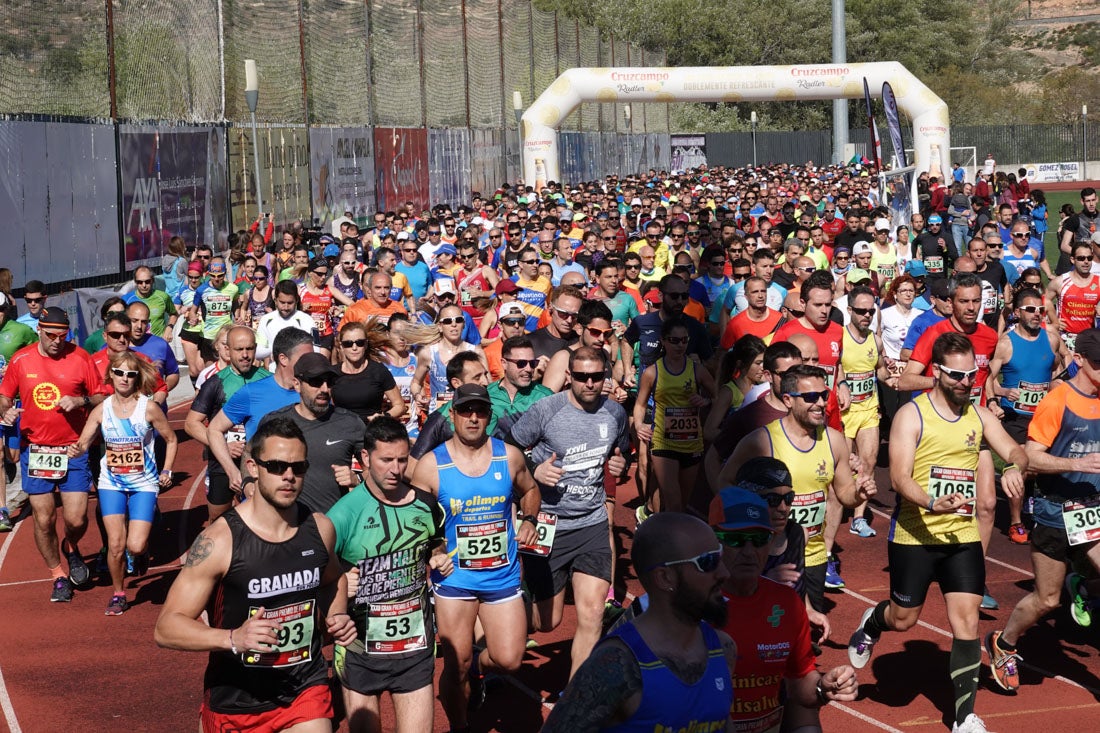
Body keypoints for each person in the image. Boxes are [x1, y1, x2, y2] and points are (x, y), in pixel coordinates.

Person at [848, 333, 1027, 733]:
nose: (967, 381)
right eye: (958, 374)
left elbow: (1013, 448)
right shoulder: (913, 415)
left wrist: (1015, 465)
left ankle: (964, 716)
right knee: (904, 619)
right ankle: (873, 623)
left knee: (966, 623)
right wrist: (931, 502)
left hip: (961, 538)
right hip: (915, 535)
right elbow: (898, 478)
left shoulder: (979, 415)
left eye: (972, 373)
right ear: (937, 373)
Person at [154, 417, 356, 733]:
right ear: (252, 467)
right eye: (276, 466)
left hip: (303, 688)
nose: (289, 476)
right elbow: (166, 627)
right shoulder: (219, 541)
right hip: (235, 700)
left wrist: (336, 616)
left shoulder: (319, 528)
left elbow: (334, 578)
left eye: (298, 467)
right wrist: (233, 638)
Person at [409, 384, 541, 732]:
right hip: (454, 579)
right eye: (465, 410)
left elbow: (530, 489)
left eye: (480, 411)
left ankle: (481, 672)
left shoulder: (508, 456)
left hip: (502, 575)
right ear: (451, 415)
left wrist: (528, 519)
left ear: (488, 415)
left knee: (510, 659)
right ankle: (460, 725)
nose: (473, 417)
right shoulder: (430, 465)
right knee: (457, 665)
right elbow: (416, 519)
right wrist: (434, 550)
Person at [542, 512, 736, 733]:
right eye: (708, 562)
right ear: (665, 578)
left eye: (720, 557)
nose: (724, 573)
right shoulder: (616, 664)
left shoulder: (722, 649)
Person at [720, 364, 875, 624]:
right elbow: (725, 481)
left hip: (813, 554)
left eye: (824, 395)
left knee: (803, 631)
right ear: (789, 400)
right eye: (811, 397)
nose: (820, 403)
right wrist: (755, 514)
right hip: (770, 554)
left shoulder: (834, 440)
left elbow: (845, 493)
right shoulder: (762, 440)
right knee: (763, 626)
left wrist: (858, 494)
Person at [509, 346, 630, 680]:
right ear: (569, 377)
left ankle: (576, 696)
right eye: (581, 377)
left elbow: (622, 451)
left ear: (606, 377)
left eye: (596, 377)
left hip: (591, 523)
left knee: (592, 613)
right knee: (547, 622)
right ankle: (501, 611)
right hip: (549, 523)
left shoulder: (615, 413)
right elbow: (509, 447)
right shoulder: (547, 409)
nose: (589, 383)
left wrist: (621, 463)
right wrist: (533, 470)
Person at [327, 416, 449, 733]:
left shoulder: (426, 504)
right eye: (386, 460)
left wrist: (438, 558)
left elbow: (437, 544)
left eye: (402, 459)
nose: (395, 469)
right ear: (365, 458)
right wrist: (341, 582)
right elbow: (316, 574)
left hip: (414, 647)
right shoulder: (343, 514)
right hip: (360, 650)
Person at [711, 487, 858, 732]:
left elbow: (800, 681)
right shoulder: (691, 606)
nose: (749, 551)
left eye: (759, 539)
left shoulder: (786, 603)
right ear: (713, 540)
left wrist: (824, 687)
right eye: (736, 539)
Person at [0, 307, 106, 602]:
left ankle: (70, 546)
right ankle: (58, 575)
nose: (57, 341)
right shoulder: (21, 360)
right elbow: (4, 397)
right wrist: (6, 412)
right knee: (43, 519)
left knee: (76, 519)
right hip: (36, 449)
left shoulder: (80, 357)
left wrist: (80, 399)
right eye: (51, 335)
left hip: (73, 448)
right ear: (39, 331)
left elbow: (100, 395)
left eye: (63, 335)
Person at [68, 351, 176, 614]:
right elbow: (83, 443)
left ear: (137, 377)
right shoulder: (101, 409)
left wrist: (168, 471)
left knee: (135, 545)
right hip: (111, 482)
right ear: (111, 375)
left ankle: (142, 552)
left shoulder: (148, 408)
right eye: (119, 373)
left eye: (130, 374)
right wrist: (76, 450)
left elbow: (171, 439)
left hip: (144, 483)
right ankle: (119, 593)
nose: (124, 378)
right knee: (116, 545)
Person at [987, 288, 1067, 544]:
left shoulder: (1051, 338)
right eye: (1031, 310)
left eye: (1041, 310)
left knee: (1044, 469)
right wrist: (998, 394)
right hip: (1016, 418)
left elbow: (1056, 369)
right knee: (1021, 467)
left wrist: (1054, 390)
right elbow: (987, 378)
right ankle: (1015, 521)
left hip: (1045, 418)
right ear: (1018, 312)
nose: (1037, 315)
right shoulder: (1006, 343)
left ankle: (1039, 514)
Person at [207, 327, 315, 494]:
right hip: (261, 496)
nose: (311, 362)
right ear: (283, 359)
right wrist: (233, 472)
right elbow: (214, 429)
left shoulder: (316, 392)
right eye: (305, 358)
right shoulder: (251, 392)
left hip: (305, 488)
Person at [259, 353, 366, 514]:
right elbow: (250, 454)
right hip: (283, 525)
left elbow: (376, 469)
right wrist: (248, 484)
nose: (324, 389)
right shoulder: (274, 421)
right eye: (316, 382)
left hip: (333, 526)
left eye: (329, 382)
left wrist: (357, 479)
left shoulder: (351, 423)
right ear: (297, 384)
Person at [185, 326, 270, 525]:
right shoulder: (215, 383)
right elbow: (191, 424)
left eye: (249, 349)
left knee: (261, 515)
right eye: (239, 350)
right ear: (228, 351)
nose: (245, 355)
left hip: (259, 461)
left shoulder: (267, 380)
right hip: (224, 461)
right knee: (218, 518)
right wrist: (221, 445)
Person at [634, 317, 716, 515]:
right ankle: (668, 539)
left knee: (683, 502)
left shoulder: (697, 370)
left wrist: (705, 401)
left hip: (691, 443)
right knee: (674, 503)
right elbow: (640, 404)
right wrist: (639, 425)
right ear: (663, 341)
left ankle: (649, 511)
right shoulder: (653, 372)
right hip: (664, 443)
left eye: (684, 340)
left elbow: (717, 396)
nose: (680, 345)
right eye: (674, 340)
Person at [841, 286, 887, 539]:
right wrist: (841, 385)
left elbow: (880, 369)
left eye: (871, 311)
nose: (866, 315)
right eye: (861, 311)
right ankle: (833, 508)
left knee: (868, 462)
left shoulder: (875, 339)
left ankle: (859, 518)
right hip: (845, 414)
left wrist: (890, 373)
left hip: (869, 410)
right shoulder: (840, 338)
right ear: (849, 310)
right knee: (842, 466)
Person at [331, 320, 405, 425]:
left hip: (372, 432)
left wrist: (383, 417)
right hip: (342, 433)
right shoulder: (332, 373)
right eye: (348, 344)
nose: (354, 348)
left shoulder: (378, 371)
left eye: (359, 343)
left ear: (365, 344)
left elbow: (400, 406)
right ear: (341, 346)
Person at [1045, 241, 1100, 352]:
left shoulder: (1098, 282)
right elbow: (1042, 302)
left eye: (1089, 258)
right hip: (1065, 337)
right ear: (1072, 260)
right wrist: (1051, 321)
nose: (1086, 262)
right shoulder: (1060, 281)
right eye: (1081, 258)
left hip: (1090, 338)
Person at [255, 280, 317, 364]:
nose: (286, 307)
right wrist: (276, 350)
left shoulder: (307, 320)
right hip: (274, 373)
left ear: (297, 300)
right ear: (275, 300)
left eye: (290, 303)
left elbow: (316, 349)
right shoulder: (265, 320)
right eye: (282, 302)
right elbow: (257, 351)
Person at [123, 266, 178, 340]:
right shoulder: (126, 300)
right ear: (135, 282)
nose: (144, 285)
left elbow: (174, 314)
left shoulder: (163, 297)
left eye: (147, 281)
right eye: (140, 282)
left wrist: (169, 328)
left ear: (153, 280)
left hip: (157, 343)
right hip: (134, 345)